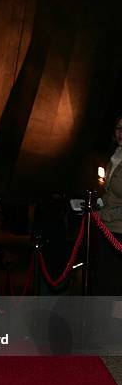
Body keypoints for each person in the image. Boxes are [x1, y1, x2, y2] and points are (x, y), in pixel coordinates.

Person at [92, 115, 122, 294]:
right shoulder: (114, 157)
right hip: (106, 230)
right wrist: (96, 204)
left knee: (116, 287)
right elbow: (108, 192)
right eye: (118, 128)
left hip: (120, 233)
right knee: (103, 284)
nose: (121, 133)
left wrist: (104, 215)